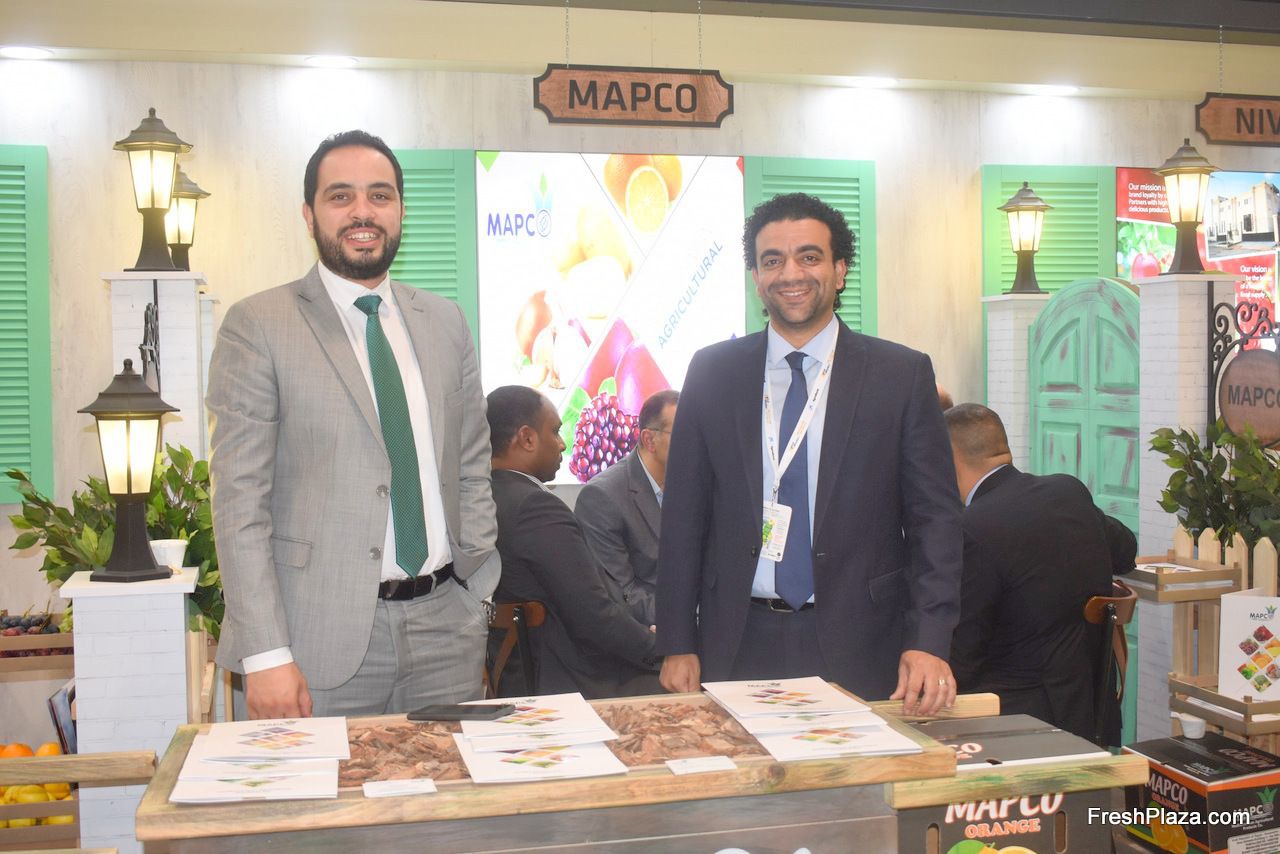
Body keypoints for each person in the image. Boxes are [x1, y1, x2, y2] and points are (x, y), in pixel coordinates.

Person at [207, 130, 499, 719]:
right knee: (318, 784)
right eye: (341, 196)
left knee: (451, 784)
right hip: (314, 641)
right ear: (309, 215)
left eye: (380, 196)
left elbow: (471, 464)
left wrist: (476, 585)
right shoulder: (259, 324)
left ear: (400, 211)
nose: (363, 212)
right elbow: (239, 502)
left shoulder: (445, 322)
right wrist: (265, 653)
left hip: (447, 630)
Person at [656, 192, 963, 715]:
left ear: (840, 271)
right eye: (772, 260)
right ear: (756, 277)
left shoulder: (900, 376)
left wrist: (930, 640)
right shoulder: (713, 372)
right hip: (736, 641)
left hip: (863, 643)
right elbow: (684, 516)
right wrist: (677, 640)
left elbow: (935, 521)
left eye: (809, 256)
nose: (790, 273)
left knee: (863, 773)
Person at [944, 403, 1137, 745]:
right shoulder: (1069, 491)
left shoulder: (972, 527)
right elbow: (1125, 551)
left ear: (949, 460)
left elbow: (964, 654)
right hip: (1090, 709)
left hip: (1013, 722)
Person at [487, 386, 660, 699]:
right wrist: (660, 650)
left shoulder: (486, 498)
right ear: (527, 438)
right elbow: (595, 617)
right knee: (694, 674)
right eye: (555, 431)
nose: (563, 444)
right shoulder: (536, 508)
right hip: (571, 680)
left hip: (520, 674)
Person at [576, 390, 680, 626]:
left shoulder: (694, 485)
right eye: (683, 433)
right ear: (649, 440)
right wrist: (688, 618)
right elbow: (622, 594)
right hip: (646, 632)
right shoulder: (602, 497)